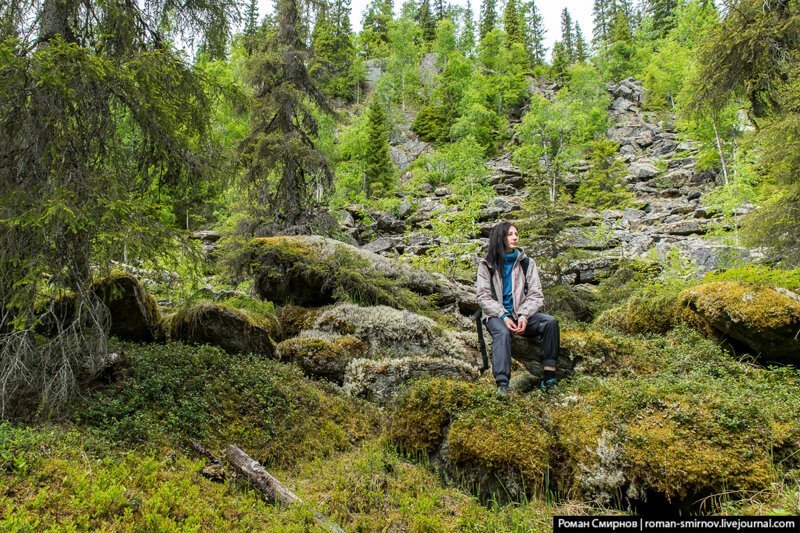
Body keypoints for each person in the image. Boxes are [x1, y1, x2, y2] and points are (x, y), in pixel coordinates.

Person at [476, 221, 560, 396]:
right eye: (510, 234)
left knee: (550, 322)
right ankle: (502, 384)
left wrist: (523, 315)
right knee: (502, 333)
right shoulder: (486, 264)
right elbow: (483, 296)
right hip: (496, 315)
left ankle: (549, 376)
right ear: (500, 238)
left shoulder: (527, 263)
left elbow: (536, 294)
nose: (515, 237)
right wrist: (503, 315)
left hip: (522, 314)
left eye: (516, 234)